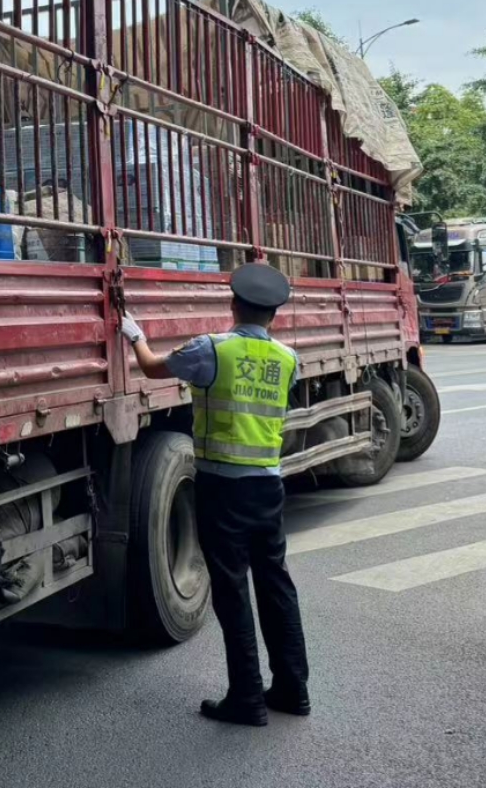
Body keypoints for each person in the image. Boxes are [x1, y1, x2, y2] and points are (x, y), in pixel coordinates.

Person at [120, 260, 309, 726]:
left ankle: (246, 697)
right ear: (274, 315)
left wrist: (134, 334)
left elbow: (151, 368)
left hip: (223, 488)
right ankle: (292, 690)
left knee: (231, 589)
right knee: (276, 584)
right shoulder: (288, 359)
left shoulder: (211, 350)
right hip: (268, 485)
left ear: (233, 305)